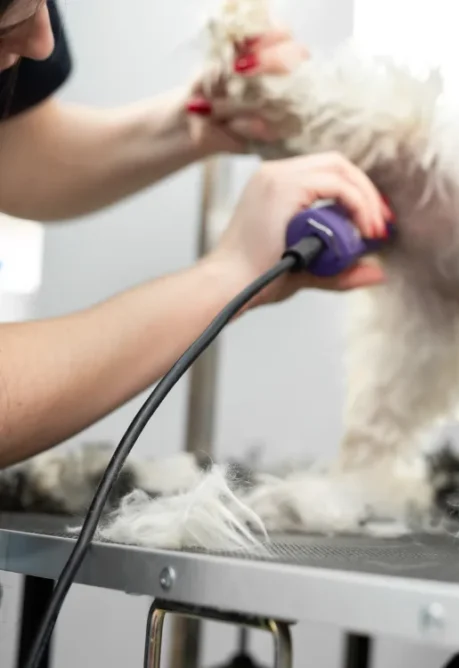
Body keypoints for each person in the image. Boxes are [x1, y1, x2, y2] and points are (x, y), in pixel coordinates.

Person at [0, 0, 391, 467]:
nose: (42, 42)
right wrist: (231, 275)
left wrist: (192, 123)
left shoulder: (27, 30)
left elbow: (15, 154)